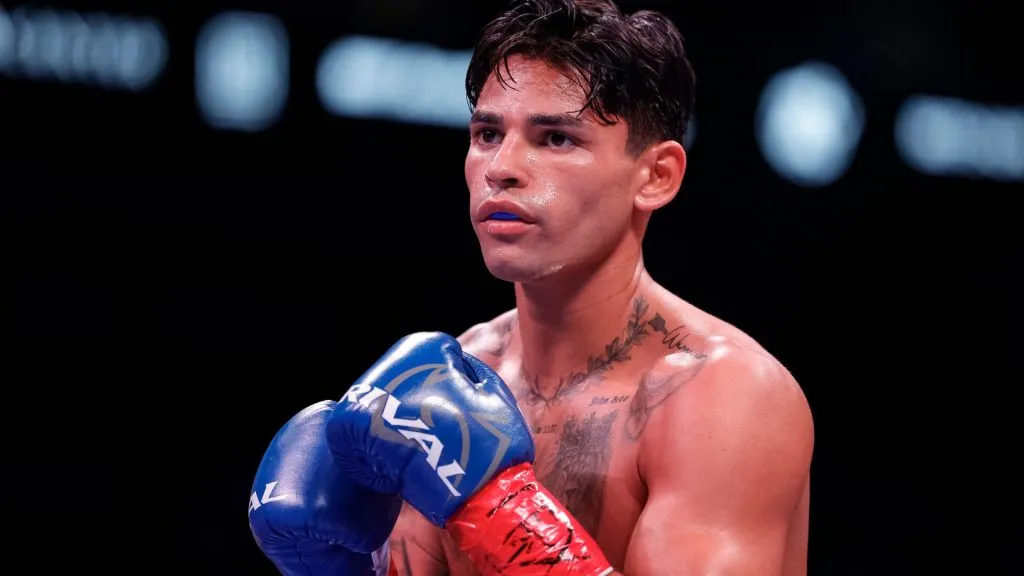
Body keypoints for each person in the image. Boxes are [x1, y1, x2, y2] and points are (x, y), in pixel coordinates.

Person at [248, 0, 814, 574]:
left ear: (656, 176)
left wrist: (499, 513)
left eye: (556, 138)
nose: (502, 166)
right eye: (488, 133)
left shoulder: (721, 396)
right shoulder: (450, 382)